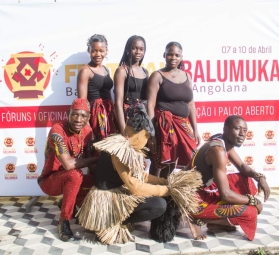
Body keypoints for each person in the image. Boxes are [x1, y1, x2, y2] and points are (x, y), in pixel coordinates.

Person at [77, 104, 202, 245]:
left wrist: (162, 181)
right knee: (159, 205)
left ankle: (121, 217)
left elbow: (140, 175)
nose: (147, 141)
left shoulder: (124, 145)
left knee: (157, 198)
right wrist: (167, 190)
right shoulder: (119, 152)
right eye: (147, 137)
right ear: (140, 134)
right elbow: (135, 186)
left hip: (117, 192)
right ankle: (115, 221)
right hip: (107, 199)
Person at [187, 115, 270, 241]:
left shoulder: (224, 141)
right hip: (194, 199)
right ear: (225, 129)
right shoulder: (218, 150)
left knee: (246, 179)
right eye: (237, 129)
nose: (242, 134)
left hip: (206, 189)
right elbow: (225, 194)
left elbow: (242, 166)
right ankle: (197, 218)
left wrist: (260, 177)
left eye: (245, 130)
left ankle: (216, 223)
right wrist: (252, 200)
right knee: (250, 213)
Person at [37, 98, 99, 242]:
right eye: (74, 114)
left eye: (83, 116)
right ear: (68, 113)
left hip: (69, 178)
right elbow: (68, 165)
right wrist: (97, 159)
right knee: (75, 174)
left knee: (97, 181)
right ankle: (64, 221)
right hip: (49, 182)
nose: (78, 119)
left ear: (88, 117)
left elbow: (92, 162)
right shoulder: (57, 131)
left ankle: (78, 208)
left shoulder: (88, 131)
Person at [146, 41, 200, 177]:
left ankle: (166, 189)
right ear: (164, 55)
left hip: (183, 125)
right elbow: (150, 105)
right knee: (160, 161)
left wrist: (195, 130)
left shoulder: (187, 76)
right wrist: (151, 133)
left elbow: (191, 105)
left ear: (182, 57)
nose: (173, 57)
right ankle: (152, 192)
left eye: (177, 55)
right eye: (170, 54)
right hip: (163, 126)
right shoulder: (157, 76)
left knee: (180, 160)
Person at [77, 34, 117, 141]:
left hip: (109, 113)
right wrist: (87, 125)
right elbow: (82, 102)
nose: (98, 54)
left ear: (106, 51)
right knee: (99, 149)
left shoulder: (106, 69)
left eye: (101, 51)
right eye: (94, 51)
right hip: (96, 115)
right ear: (88, 50)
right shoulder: (85, 71)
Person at [114, 35, 149, 134]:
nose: (138, 52)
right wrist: (123, 129)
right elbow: (118, 102)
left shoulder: (145, 72)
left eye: (141, 49)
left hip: (142, 119)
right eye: (134, 48)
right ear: (127, 49)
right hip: (127, 118)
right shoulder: (122, 71)